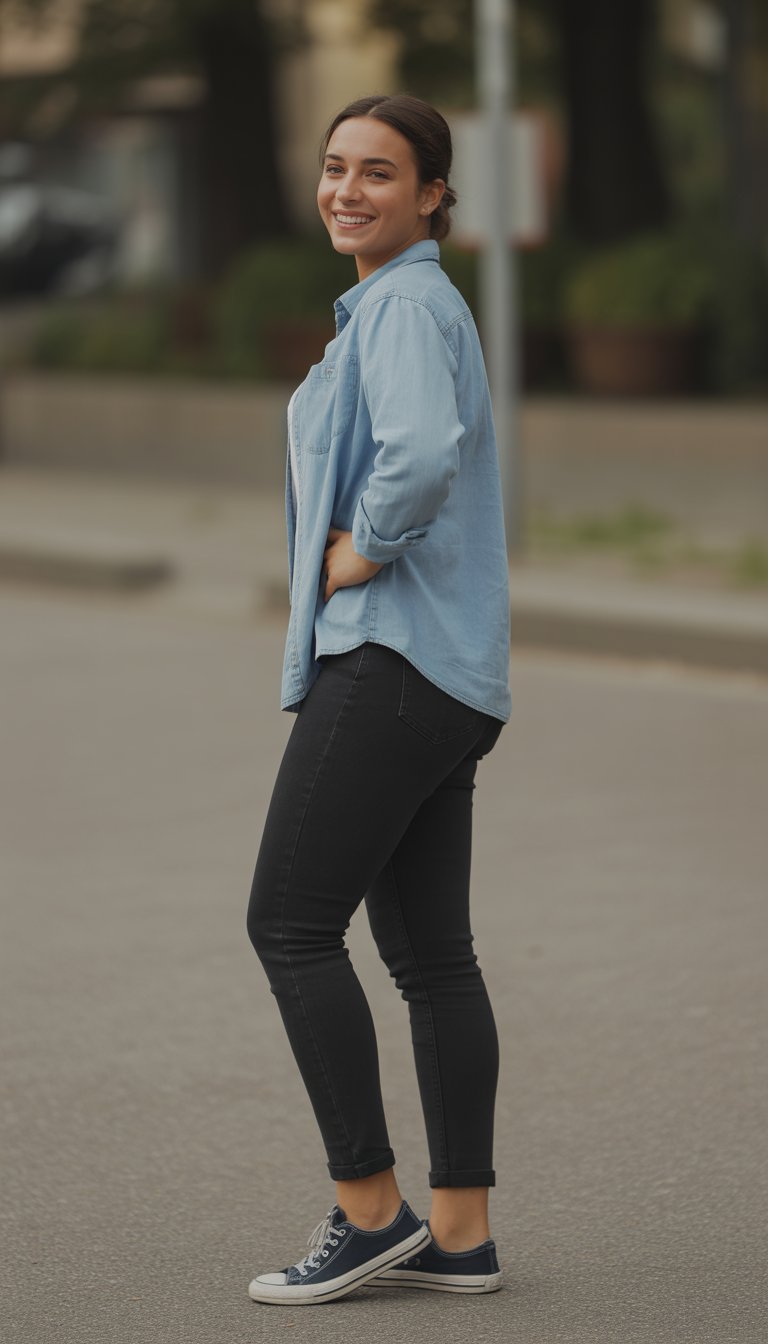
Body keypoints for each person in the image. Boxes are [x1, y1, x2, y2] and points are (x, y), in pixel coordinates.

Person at [246, 92, 511, 1306]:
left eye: (381, 173)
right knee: (430, 955)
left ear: (432, 196)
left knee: (290, 924)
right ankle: (459, 1234)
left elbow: (417, 451)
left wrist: (358, 553)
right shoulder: (405, 302)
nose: (349, 190)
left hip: (393, 658)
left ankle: (370, 1211)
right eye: (337, 167)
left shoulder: (404, 302)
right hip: (448, 670)